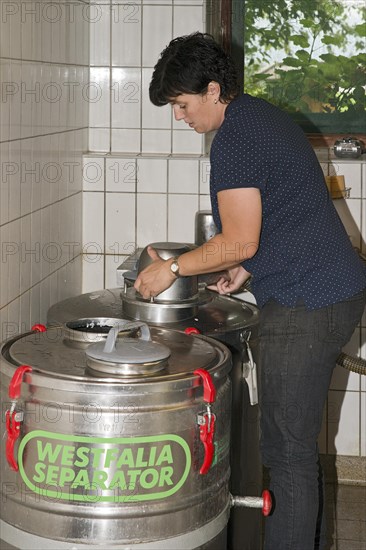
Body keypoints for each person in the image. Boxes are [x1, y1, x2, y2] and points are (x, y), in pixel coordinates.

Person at [134, 32, 366, 550]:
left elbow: (239, 237)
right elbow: (279, 215)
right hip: (327, 288)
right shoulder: (259, 116)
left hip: (311, 301)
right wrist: (247, 267)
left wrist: (172, 268)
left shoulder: (236, 140)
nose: (180, 116)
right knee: (296, 452)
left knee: (286, 454)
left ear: (213, 91)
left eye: (182, 104)